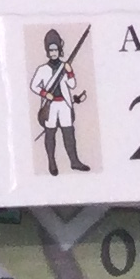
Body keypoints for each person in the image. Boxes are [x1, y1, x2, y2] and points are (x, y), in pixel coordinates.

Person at [30, 27, 87, 175]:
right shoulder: (42, 69)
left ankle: (74, 161)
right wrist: (45, 94)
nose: (54, 53)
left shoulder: (64, 67)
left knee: (69, 133)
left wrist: (69, 71)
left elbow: (72, 85)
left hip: (64, 105)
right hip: (50, 106)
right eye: (51, 50)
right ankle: (51, 163)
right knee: (50, 134)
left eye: (55, 50)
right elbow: (34, 86)